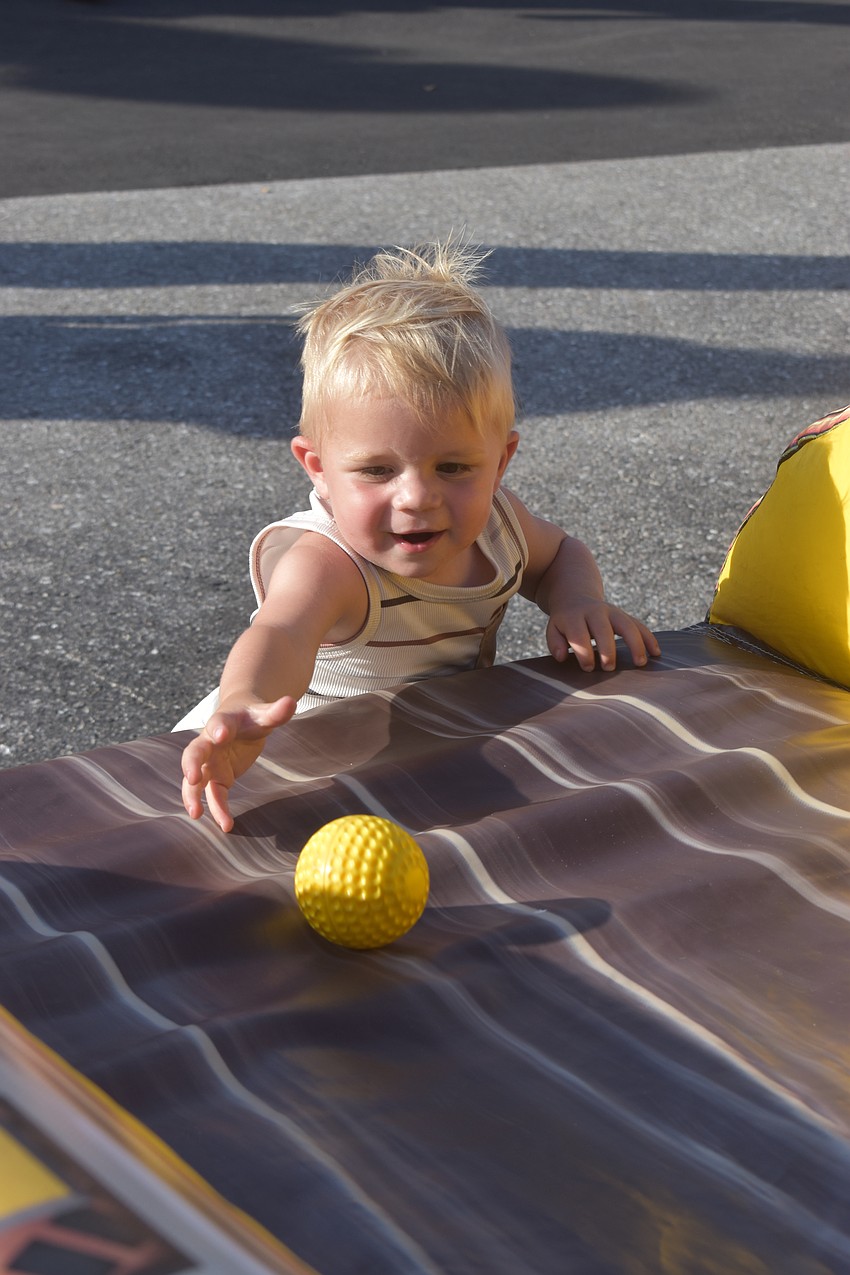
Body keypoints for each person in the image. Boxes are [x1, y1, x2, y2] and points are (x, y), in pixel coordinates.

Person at [180, 239, 660, 831]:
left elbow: (559, 553)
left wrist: (578, 600)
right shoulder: (330, 562)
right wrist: (241, 704)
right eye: (377, 470)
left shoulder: (501, 526)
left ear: (501, 461)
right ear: (319, 469)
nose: (417, 498)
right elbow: (281, 631)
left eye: (454, 468)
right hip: (269, 754)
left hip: (426, 744)